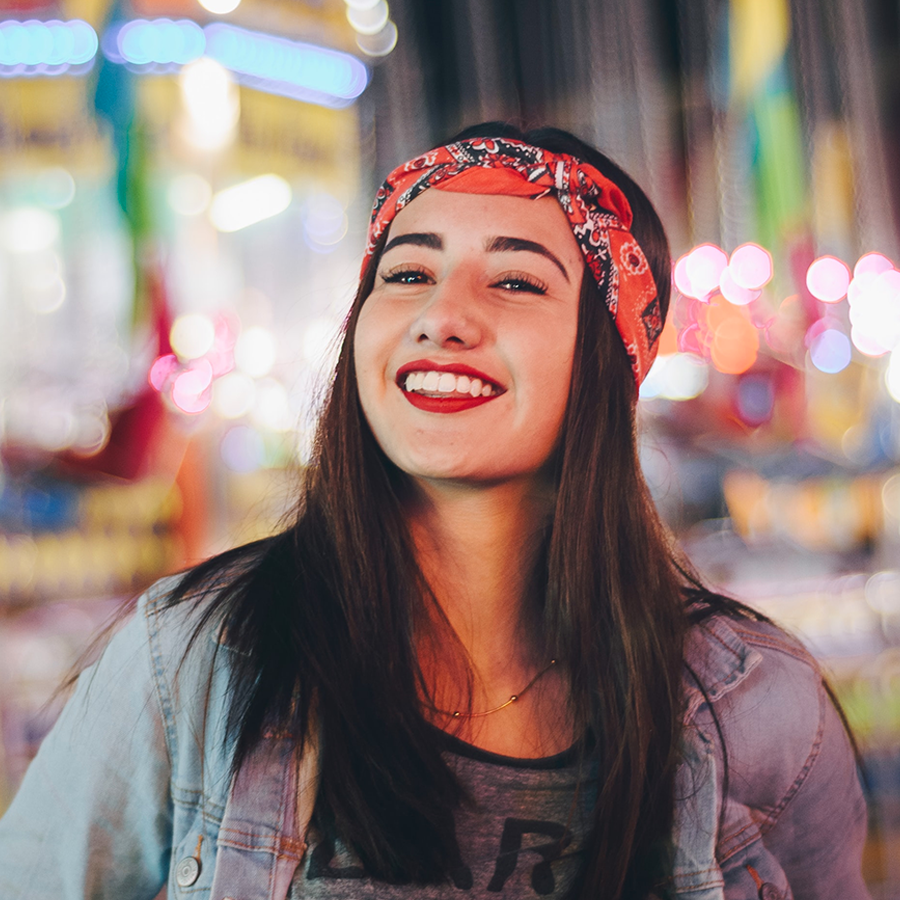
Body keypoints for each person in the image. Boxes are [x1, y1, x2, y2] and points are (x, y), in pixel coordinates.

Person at [0, 124, 870, 900]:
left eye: (517, 282)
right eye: (408, 271)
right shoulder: (194, 658)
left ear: (610, 357)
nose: (442, 317)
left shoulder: (761, 708)